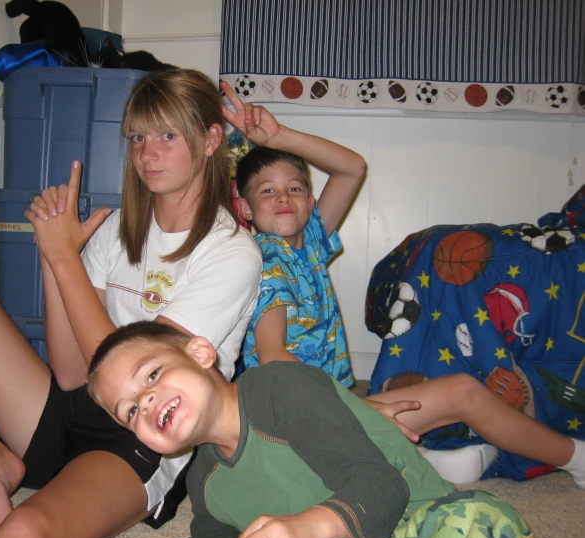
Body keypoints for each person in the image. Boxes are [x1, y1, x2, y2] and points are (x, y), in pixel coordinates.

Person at [0, 68, 262, 538]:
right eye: (137, 137)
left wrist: (62, 257)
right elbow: (72, 373)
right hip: (71, 408)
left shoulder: (232, 252)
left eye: (168, 134)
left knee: (24, 536)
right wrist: (58, 257)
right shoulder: (117, 231)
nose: (147, 153)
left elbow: (134, 374)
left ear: (210, 140)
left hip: (144, 435)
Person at [221, 83, 585, 489]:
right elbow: (272, 359)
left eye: (295, 188)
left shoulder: (308, 246)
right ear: (246, 209)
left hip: (330, 409)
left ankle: (416, 460)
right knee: (459, 396)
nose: (284, 197)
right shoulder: (268, 262)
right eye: (267, 191)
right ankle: (570, 459)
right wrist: (355, 410)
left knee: (462, 394)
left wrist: (279, 136)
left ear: (310, 202)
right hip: (298, 421)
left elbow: (352, 168)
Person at [88, 320, 536, 538]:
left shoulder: (281, 387)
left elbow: (381, 485)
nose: (145, 402)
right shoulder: (203, 482)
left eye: (150, 375)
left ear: (201, 353)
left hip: (414, 527)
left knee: (485, 521)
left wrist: (308, 527)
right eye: (130, 411)